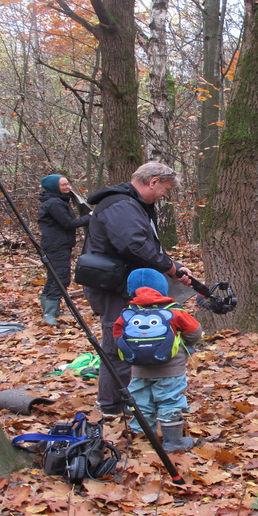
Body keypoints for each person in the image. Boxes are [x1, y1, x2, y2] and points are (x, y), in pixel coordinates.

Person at [83, 162, 192, 420]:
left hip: (125, 283)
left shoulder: (134, 206)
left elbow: (146, 244)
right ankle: (111, 408)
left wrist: (172, 266)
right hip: (112, 286)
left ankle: (134, 402)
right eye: (164, 189)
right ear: (153, 181)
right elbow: (134, 244)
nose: (165, 195)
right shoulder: (120, 205)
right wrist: (170, 268)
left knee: (131, 339)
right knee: (118, 343)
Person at [114, 268, 202, 452]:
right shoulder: (173, 310)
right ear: (163, 288)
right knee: (170, 401)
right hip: (171, 369)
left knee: (141, 403)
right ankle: (173, 442)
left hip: (139, 369)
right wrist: (185, 345)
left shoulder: (127, 312)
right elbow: (195, 332)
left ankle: (144, 442)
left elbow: (117, 336)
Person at [37, 174, 91, 326]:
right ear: (54, 187)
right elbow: (68, 223)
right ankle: (49, 315)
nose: (68, 187)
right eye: (63, 185)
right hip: (56, 246)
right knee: (61, 277)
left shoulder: (57, 201)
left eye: (68, 184)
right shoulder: (54, 203)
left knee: (53, 276)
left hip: (55, 244)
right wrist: (89, 217)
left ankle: (50, 311)